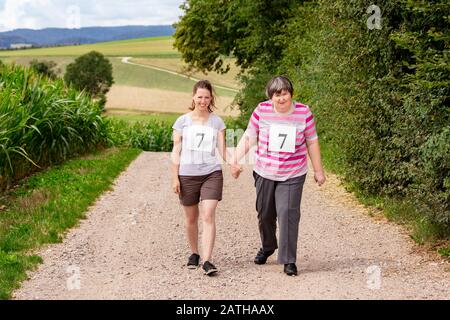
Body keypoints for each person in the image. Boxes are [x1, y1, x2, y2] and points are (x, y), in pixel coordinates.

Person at [229, 76, 326, 276]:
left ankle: (289, 259)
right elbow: (249, 136)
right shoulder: (261, 110)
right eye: (276, 95)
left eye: (285, 94)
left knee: (287, 214)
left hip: (293, 173)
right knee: (265, 214)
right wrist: (235, 159)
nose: (281, 98)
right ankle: (267, 246)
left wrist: (318, 171)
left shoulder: (303, 112)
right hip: (265, 171)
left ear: (291, 94)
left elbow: (312, 141)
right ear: (270, 97)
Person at [171, 80, 226, 276]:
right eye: (200, 97)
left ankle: (207, 260)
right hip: (187, 175)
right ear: (193, 97)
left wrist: (234, 163)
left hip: (212, 173)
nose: (203, 100)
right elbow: (176, 150)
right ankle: (194, 252)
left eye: (207, 97)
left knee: (208, 214)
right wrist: (174, 177)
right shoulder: (182, 122)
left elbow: (222, 149)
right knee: (191, 218)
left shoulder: (217, 122)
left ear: (211, 99)